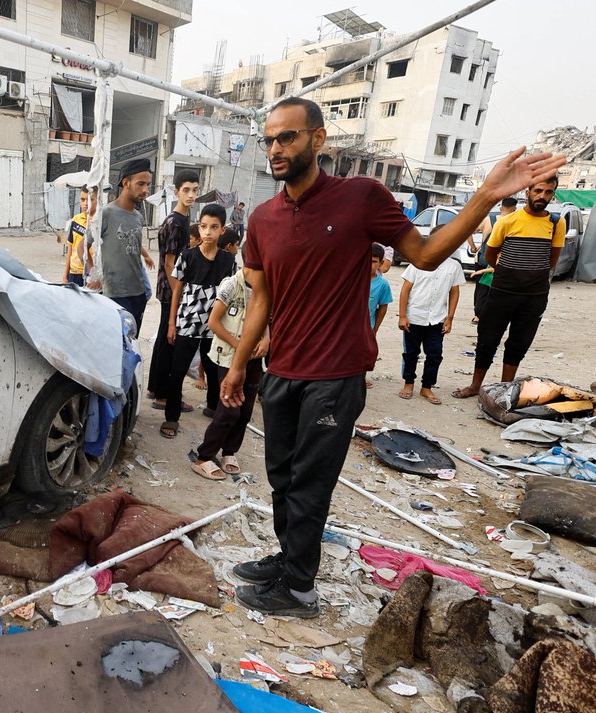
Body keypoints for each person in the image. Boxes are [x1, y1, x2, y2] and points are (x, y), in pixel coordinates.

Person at [218, 96, 564, 617]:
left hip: (334, 375)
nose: (275, 148)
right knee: (283, 478)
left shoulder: (360, 197)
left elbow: (423, 254)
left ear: (317, 139)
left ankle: (299, 591)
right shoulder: (264, 218)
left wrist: (485, 198)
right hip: (282, 371)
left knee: (310, 485)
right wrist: (241, 364)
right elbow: (261, 299)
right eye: (268, 139)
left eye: (286, 137)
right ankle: (289, 559)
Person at [453, 178, 566, 399]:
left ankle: (504, 390)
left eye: (548, 192)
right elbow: (490, 255)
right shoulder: (507, 221)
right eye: (538, 190)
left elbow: (552, 258)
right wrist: (508, 273)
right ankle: (476, 385)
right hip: (502, 292)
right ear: (528, 192)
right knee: (487, 340)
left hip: (534, 296)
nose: (542, 196)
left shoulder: (556, 223)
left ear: (553, 195)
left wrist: (530, 274)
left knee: (518, 343)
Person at [192, 230, 266, 480]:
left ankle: (229, 451)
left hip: (254, 358)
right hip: (228, 356)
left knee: (245, 410)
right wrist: (239, 343)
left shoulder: (265, 286)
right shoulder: (231, 285)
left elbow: (268, 317)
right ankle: (203, 456)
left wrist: (266, 338)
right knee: (229, 409)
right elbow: (213, 322)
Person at [160, 203, 233, 439]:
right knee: (178, 370)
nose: (207, 232)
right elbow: (177, 291)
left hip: (215, 326)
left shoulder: (228, 261)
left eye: (214, 227)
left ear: (223, 230)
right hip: (188, 322)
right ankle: (172, 417)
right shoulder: (187, 256)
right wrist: (172, 323)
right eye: (203, 227)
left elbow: (232, 294)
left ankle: (213, 406)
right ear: (199, 228)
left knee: (213, 370)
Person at [148, 170, 201, 411]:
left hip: (172, 288)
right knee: (170, 341)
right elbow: (170, 263)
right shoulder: (175, 222)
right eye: (186, 190)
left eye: (195, 190)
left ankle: (155, 388)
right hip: (171, 289)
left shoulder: (182, 219)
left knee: (163, 338)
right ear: (176, 191)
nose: (191, 195)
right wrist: (178, 295)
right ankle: (163, 395)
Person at [396, 224, 465, 405]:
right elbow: (405, 290)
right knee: (411, 352)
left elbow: (454, 292)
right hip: (415, 317)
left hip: (437, 319)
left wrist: (450, 318)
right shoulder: (419, 262)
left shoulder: (453, 266)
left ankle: (427, 387)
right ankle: (408, 383)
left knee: (434, 354)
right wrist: (402, 315)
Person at [86, 159, 157, 333]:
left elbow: (133, 242)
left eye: (148, 185)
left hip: (138, 293)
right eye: (140, 184)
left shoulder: (137, 216)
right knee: (116, 344)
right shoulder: (105, 214)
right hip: (115, 294)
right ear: (126, 183)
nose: (145, 190)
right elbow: (83, 246)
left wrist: (146, 255)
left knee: (132, 342)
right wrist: (93, 274)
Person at [467, 197, 519, 324]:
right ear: (515, 209)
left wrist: (474, 247)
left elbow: (468, 232)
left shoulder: (488, 220)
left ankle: (477, 315)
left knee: (480, 288)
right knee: (498, 289)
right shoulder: (514, 222)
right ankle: (492, 315)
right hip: (502, 261)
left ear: (501, 208)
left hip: (483, 259)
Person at [366, 243, 392, 389]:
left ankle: (359, 378)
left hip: (367, 325)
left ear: (381, 263)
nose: (369, 265)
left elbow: (383, 307)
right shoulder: (352, 279)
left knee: (364, 354)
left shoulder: (382, 284)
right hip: (346, 325)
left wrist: (375, 328)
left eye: (374, 261)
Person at [62, 188, 95, 287]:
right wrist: (65, 274)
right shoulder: (76, 220)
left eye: (89, 200)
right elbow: (70, 249)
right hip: (74, 272)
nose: (85, 204)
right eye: (82, 199)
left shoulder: (100, 222)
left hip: (92, 274)